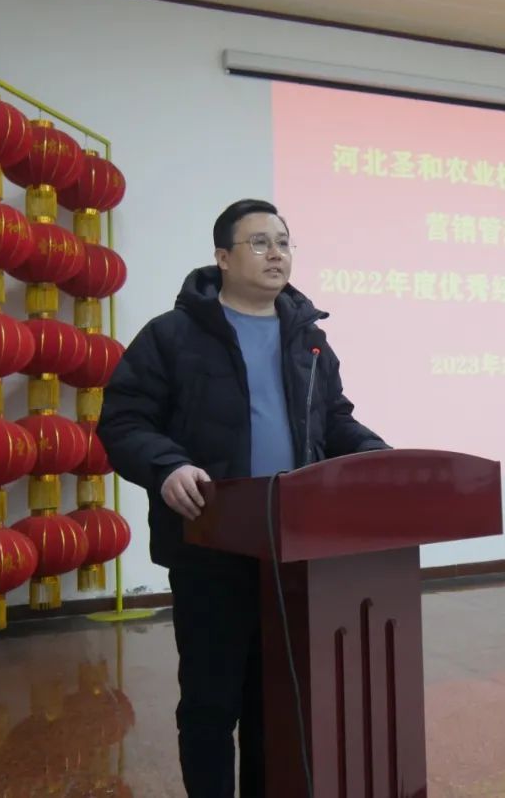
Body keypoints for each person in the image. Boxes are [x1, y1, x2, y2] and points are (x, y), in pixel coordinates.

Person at [97, 199, 389, 797]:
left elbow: (333, 420)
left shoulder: (309, 341)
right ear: (223, 258)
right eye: (259, 242)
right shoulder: (172, 336)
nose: (276, 253)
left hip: (293, 550)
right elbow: (124, 421)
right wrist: (168, 466)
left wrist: (377, 456)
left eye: (283, 242)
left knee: (273, 701)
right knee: (211, 701)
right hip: (210, 543)